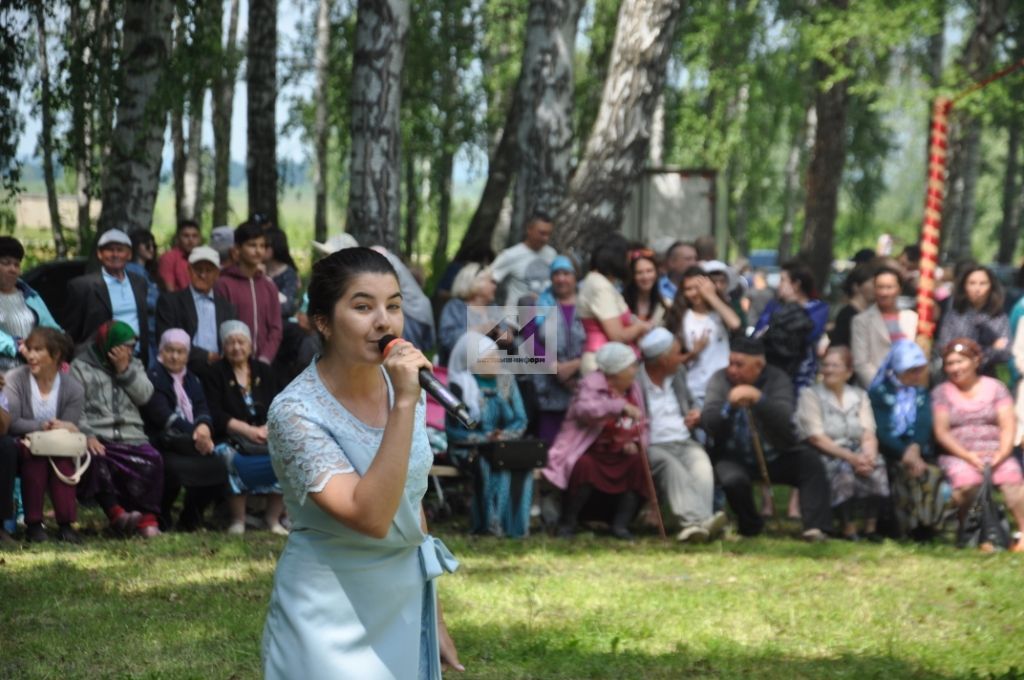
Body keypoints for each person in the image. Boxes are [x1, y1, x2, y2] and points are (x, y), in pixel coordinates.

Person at [262, 247, 461, 678]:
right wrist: (405, 403)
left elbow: (411, 499)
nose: (384, 321)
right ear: (323, 322)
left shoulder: (406, 390)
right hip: (327, 612)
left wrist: (436, 617)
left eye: (393, 305)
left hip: (403, 601)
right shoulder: (295, 412)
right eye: (362, 306)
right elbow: (370, 516)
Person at [700, 337, 832, 541]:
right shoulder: (720, 379)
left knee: (810, 463)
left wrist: (758, 399)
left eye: (739, 365)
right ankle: (751, 525)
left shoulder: (777, 379)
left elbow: (786, 421)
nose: (732, 370)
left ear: (759, 366)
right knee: (732, 480)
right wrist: (729, 406)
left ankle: (815, 527)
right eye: (731, 363)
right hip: (732, 455)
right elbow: (709, 421)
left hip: (776, 453)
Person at [543, 342, 650, 540]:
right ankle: (568, 523)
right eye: (631, 366)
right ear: (616, 371)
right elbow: (584, 411)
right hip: (590, 450)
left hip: (619, 452)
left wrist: (636, 443)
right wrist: (618, 406)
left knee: (638, 464)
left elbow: (644, 423)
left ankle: (621, 525)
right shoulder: (590, 384)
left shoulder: (633, 388)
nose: (636, 370)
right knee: (584, 466)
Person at [71, 321, 163, 538]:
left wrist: (124, 370)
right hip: (99, 435)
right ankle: (116, 514)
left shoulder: (135, 365)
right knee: (95, 458)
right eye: (124, 346)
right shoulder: (80, 367)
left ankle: (147, 519)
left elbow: (145, 396)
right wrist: (88, 435)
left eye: (131, 347)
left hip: (132, 434)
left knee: (153, 459)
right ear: (109, 345)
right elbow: (75, 407)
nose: (128, 352)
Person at [932, 338, 1024, 552]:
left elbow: (1007, 425)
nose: (955, 368)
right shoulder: (941, 393)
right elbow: (942, 432)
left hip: (997, 452)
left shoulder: (996, 388)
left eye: (960, 361)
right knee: (966, 481)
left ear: (975, 361)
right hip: (959, 454)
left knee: (1011, 477)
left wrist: (1001, 454)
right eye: (950, 363)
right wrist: (968, 456)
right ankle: (977, 534)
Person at [638, 328, 725, 543]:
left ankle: (698, 527)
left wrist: (695, 413)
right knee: (672, 468)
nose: (682, 358)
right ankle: (697, 522)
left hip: (683, 438)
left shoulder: (678, 374)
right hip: (652, 444)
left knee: (701, 465)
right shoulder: (636, 381)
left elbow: (691, 400)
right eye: (678, 354)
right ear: (662, 361)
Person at [796, 346, 888, 540]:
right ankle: (848, 527)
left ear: (848, 371)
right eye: (826, 365)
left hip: (857, 449)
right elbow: (816, 436)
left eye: (835, 365)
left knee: (878, 465)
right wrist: (852, 458)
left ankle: (871, 528)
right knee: (844, 470)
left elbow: (868, 431)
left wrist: (868, 455)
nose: (829, 370)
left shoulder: (859, 396)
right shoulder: (810, 395)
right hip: (827, 451)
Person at [203, 321, 286, 535]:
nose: (236, 347)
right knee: (228, 458)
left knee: (289, 455)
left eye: (241, 342)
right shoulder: (215, 373)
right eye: (230, 343)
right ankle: (238, 520)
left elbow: (280, 403)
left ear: (250, 345)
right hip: (231, 436)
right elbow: (215, 413)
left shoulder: (264, 371)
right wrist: (248, 431)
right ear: (223, 346)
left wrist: (267, 428)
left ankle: (272, 518)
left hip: (266, 434)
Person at [445, 331, 530, 537]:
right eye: (489, 358)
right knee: (489, 463)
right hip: (469, 449)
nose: (497, 362)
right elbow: (453, 431)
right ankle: (488, 525)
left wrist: (504, 436)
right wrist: (484, 439)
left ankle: (514, 527)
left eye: (496, 356)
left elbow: (520, 418)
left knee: (520, 464)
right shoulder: (460, 386)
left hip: (503, 444)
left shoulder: (506, 380)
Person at [4, 328, 84, 543]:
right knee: (34, 457)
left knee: (62, 457)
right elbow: (12, 422)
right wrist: (43, 426)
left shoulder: (73, 388)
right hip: (22, 444)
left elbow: (71, 426)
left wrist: (63, 426)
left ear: (56, 354)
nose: (30, 355)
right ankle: (34, 524)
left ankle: (66, 525)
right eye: (29, 349)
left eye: (38, 350)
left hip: (57, 444)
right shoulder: (15, 379)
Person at [144, 329, 225, 531]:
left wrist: (204, 428)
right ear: (161, 351)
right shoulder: (153, 377)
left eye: (180, 352)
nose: (174, 356)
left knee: (218, 466)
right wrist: (197, 434)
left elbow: (201, 407)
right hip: (163, 441)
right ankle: (162, 516)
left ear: (187, 355)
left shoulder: (192, 379)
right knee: (173, 469)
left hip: (191, 441)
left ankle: (191, 517)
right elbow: (162, 416)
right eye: (169, 350)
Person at [868, 340, 945, 540]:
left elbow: (923, 422)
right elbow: (881, 429)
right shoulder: (879, 393)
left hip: (918, 452)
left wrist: (915, 449)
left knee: (931, 475)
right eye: (912, 371)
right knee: (903, 474)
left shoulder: (920, 392)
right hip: (889, 452)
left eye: (920, 370)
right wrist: (904, 453)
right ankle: (905, 527)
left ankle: (928, 525)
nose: (917, 376)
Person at [64, 229, 152, 361]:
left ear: (129, 254)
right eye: (110, 250)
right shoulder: (82, 286)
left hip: (136, 358)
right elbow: (71, 332)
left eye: (120, 250)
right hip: (98, 362)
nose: (115, 254)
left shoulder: (139, 282)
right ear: (99, 254)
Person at [664, 266, 742, 407]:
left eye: (699, 287)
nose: (695, 293)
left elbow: (735, 323)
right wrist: (694, 352)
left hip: (723, 388)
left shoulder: (719, 312)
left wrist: (711, 296)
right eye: (688, 289)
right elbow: (671, 361)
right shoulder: (681, 318)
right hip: (695, 390)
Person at [155, 245, 237, 376]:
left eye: (209, 270)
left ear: (217, 274)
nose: (203, 275)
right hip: (181, 370)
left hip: (219, 373)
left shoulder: (227, 308)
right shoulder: (170, 302)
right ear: (189, 270)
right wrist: (206, 356)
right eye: (198, 269)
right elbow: (165, 339)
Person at [577, 233, 652, 375]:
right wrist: (641, 327)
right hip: (602, 363)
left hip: (609, 360)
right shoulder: (600, 286)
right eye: (628, 258)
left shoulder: (599, 282)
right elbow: (617, 335)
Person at [530, 255, 585, 446]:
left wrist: (577, 364)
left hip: (584, 388)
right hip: (549, 391)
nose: (561, 278)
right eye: (556, 274)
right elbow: (530, 343)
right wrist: (555, 367)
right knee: (549, 450)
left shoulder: (588, 303)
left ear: (576, 276)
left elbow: (598, 339)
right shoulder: (537, 305)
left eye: (566, 273)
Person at [214, 221, 283, 364]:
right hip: (231, 363)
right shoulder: (223, 284)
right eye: (252, 245)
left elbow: (276, 328)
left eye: (262, 246)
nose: (258, 251)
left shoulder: (269, 286)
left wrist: (265, 359)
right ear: (237, 249)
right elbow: (221, 326)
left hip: (264, 364)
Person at [754, 260, 829, 391]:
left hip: (801, 375)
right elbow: (758, 333)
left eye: (783, 280)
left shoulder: (817, 308)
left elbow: (807, 335)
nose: (779, 285)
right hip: (769, 371)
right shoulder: (774, 305)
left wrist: (774, 330)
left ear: (796, 284)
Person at [935, 265, 1010, 377]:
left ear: (991, 287)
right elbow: (944, 347)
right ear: (964, 286)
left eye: (983, 283)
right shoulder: (954, 315)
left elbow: (1004, 352)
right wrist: (990, 349)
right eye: (972, 283)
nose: (977, 289)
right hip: (954, 376)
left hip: (987, 377)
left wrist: (964, 351)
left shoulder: (999, 317)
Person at [0, 236, 61, 372]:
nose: (13, 269)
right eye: (6, 263)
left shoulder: (30, 296)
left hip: (34, 370)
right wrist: (16, 346)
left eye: (16, 264)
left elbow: (54, 330)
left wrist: (49, 343)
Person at [851, 266, 918, 388]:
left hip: (907, 387)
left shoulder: (912, 318)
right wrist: (882, 389)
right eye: (880, 287)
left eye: (889, 287)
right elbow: (861, 363)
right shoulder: (861, 321)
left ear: (899, 289)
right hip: (875, 390)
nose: (884, 292)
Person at [489, 212, 557, 307]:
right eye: (542, 233)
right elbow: (487, 281)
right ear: (529, 229)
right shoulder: (510, 255)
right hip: (518, 318)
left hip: (543, 316)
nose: (545, 238)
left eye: (549, 234)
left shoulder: (551, 254)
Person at [437, 263, 496, 367]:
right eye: (491, 281)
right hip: (461, 373)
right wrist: (481, 329)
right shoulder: (455, 307)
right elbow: (447, 340)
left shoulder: (494, 308)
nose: (495, 286)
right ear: (476, 282)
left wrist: (506, 338)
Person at [127, 230, 162, 365]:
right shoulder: (132, 269)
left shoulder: (147, 272)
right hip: (142, 332)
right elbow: (140, 300)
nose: (151, 249)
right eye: (147, 245)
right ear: (136, 246)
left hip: (152, 331)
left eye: (153, 245)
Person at [828, 263, 875, 349]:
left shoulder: (869, 313)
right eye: (872, 282)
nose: (876, 287)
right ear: (856, 286)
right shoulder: (847, 314)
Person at [623, 248, 668, 325]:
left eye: (649, 271)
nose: (645, 277)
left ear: (656, 273)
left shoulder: (665, 304)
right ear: (632, 276)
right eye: (639, 272)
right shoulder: (622, 302)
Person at [263, 228, 301, 320]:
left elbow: (286, 307)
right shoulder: (254, 269)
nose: (260, 249)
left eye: (265, 245)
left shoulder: (289, 274)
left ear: (276, 247)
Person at [158, 219, 202, 291]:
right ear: (178, 238)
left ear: (199, 239)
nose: (190, 240)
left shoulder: (203, 258)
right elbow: (170, 292)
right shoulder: (168, 258)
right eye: (186, 236)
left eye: (194, 236)